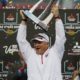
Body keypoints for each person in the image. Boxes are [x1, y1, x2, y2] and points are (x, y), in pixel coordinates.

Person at [16, 4, 66, 80]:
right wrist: (24, 20)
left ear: (47, 43)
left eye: (39, 42)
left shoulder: (55, 52)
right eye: (35, 42)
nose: (36, 44)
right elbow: (20, 39)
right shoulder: (30, 54)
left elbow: (61, 38)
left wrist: (57, 17)